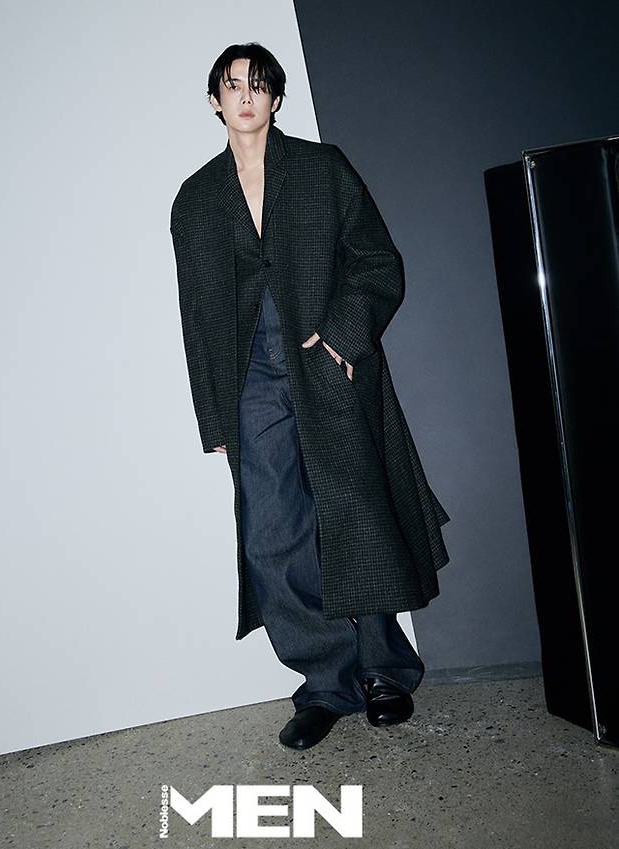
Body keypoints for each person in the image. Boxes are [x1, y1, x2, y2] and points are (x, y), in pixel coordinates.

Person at [169, 42, 451, 750]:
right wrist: (214, 415)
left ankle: (384, 672)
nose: (245, 96)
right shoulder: (196, 200)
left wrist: (342, 339)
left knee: (357, 512)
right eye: (232, 85)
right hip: (248, 380)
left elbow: (377, 261)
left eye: (258, 84)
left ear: (276, 98)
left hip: (325, 365)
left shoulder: (322, 169)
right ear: (214, 101)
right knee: (272, 535)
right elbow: (196, 315)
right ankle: (327, 682)